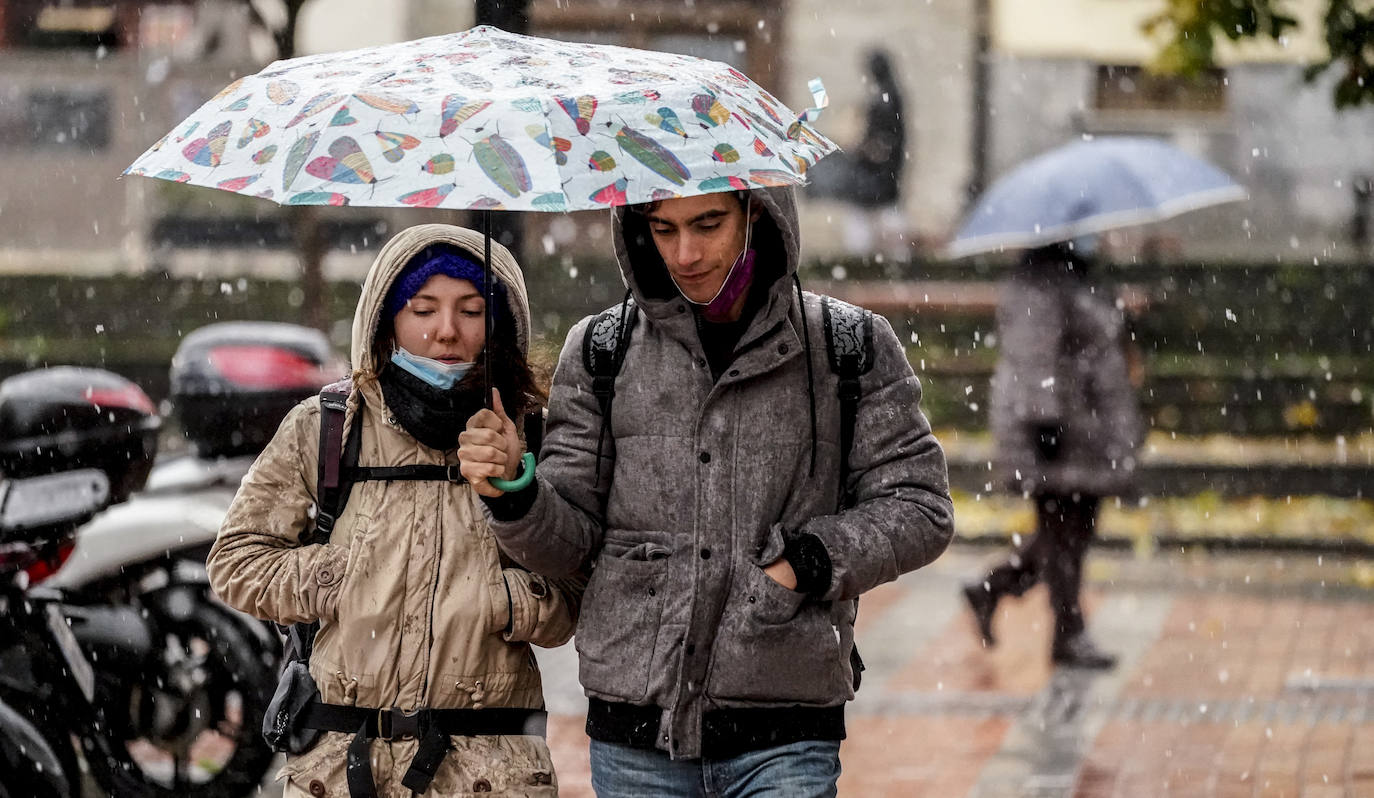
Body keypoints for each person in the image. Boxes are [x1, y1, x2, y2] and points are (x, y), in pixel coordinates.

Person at [459, 187, 954, 796]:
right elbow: (570, 543)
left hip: (785, 723)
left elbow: (920, 506)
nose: (685, 253)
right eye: (663, 229)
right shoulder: (599, 353)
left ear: (757, 214)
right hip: (636, 731)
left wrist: (805, 563)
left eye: (708, 224)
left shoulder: (847, 347)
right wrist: (514, 491)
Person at [207, 223, 580, 798]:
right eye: (423, 307)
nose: (446, 330)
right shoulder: (327, 427)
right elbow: (235, 562)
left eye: (472, 310)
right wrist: (342, 578)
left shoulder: (535, 434)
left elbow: (578, 595)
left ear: (500, 323)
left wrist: (508, 526)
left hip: (490, 774)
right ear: (386, 319)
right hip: (339, 768)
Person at [962, 241, 1144, 669]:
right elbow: (1032, 358)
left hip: (1088, 429)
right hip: (1057, 431)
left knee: (1071, 533)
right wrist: (1045, 422)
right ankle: (1068, 631)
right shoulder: (1036, 284)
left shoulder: (1076, 276)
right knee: (1063, 534)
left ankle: (995, 588)